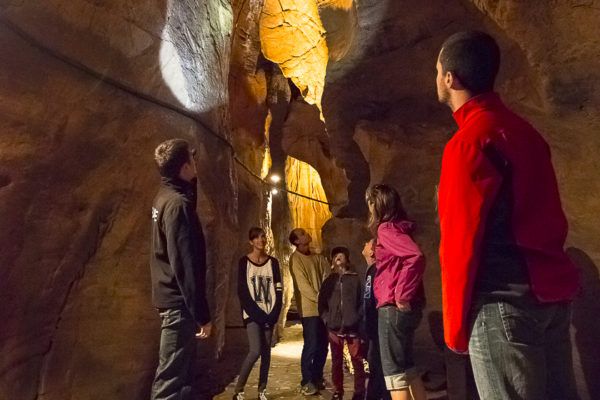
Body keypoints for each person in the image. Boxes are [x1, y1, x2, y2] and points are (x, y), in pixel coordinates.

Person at [436, 31, 580, 400]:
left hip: (501, 305)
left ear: (450, 78)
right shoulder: (525, 133)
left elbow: (460, 240)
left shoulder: (468, 143)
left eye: (438, 71)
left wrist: (454, 327)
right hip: (549, 299)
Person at [149, 138, 212, 400]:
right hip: (180, 305)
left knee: (183, 379)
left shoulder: (164, 197)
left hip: (173, 302)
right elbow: (184, 264)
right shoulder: (176, 206)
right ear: (184, 167)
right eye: (192, 160)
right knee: (170, 383)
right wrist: (202, 314)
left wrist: (191, 182)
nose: (196, 164)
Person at [365, 184, 427, 400]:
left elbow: (414, 257)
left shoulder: (386, 229)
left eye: (370, 203)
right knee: (407, 367)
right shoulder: (400, 228)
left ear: (377, 204)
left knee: (393, 372)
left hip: (393, 307)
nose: (369, 208)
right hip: (407, 308)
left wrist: (402, 294)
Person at [234, 227, 283, 400]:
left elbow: (278, 289)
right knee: (255, 350)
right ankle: (239, 390)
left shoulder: (273, 263)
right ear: (251, 241)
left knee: (266, 352)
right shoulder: (244, 263)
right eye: (257, 238)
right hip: (252, 315)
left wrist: (274, 314)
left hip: (269, 313)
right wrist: (259, 315)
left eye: (263, 237)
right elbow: (243, 292)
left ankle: (262, 389)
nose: (261, 240)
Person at [318, 247, 366, 400]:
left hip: (353, 327)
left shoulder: (355, 279)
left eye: (341, 255)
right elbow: (322, 304)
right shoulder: (329, 282)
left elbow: (362, 302)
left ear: (347, 259)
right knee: (336, 360)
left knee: (357, 360)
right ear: (331, 261)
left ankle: (359, 391)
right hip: (334, 327)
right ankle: (338, 390)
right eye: (335, 256)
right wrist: (327, 319)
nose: (338, 257)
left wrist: (356, 318)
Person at [289, 228, 329, 395]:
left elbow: (327, 274)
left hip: (323, 309)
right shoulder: (295, 260)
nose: (307, 234)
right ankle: (306, 380)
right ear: (297, 241)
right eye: (302, 233)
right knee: (311, 345)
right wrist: (320, 299)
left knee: (323, 345)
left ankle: (317, 376)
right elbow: (303, 286)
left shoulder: (317, 257)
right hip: (309, 310)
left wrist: (325, 296)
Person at [362, 239, 391, 400]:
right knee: (376, 364)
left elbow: (370, 300)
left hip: (377, 325)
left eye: (367, 244)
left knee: (378, 364)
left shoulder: (375, 270)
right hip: (375, 325)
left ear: (372, 251)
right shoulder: (371, 269)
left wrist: (368, 326)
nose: (364, 245)